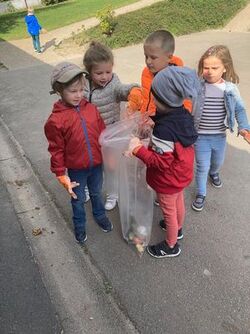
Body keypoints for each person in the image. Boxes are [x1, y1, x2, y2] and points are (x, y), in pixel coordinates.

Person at [125, 66, 199, 258]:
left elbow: (159, 163)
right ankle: (178, 228)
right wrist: (154, 121)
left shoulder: (163, 132)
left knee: (168, 210)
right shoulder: (182, 114)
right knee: (178, 202)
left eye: (154, 95)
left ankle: (171, 245)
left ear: (162, 98)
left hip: (168, 180)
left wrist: (137, 149)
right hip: (181, 173)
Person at [44, 62, 113, 245]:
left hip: (97, 164)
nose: (79, 95)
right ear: (60, 90)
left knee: (97, 192)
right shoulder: (56, 120)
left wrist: (110, 151)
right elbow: (56, 148)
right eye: (73, 91)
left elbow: (102, 132)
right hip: (76, 169)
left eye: (81, 90)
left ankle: (100, 215)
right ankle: (80, 226)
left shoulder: (90, 108)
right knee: (78, 198)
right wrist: (60, 173)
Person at [191, 45, 250, 212]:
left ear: (225, 67)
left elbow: (239, 109)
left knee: (217, 162)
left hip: (219, 136)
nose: (209, 71)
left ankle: (214, 173)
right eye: (206, 67)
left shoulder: (230, 89)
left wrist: (244, 128)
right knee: (202, 165)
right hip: (200, 136)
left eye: (214, 68)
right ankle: (201, 193)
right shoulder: (197, 86)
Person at [82, 41, 138, 210]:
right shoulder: (82, 85)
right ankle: (85, 188)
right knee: (88, 165)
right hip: (88, 136)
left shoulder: (113, 83)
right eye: (99, 73)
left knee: (111, 168)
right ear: (89, 71)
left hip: (110, 137)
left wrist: (133, 90)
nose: (104, 76)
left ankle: (113, 195)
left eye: (108, 71)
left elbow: (121, 90)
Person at [127, 30, 192, 115]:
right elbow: (145, 97)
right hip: (147, 123)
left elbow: (186, 105)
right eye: (146, 56)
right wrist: (134, 103)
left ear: (169, 57)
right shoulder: (146, 72)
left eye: (153, 58)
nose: (148, 61)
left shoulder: (178, 78)